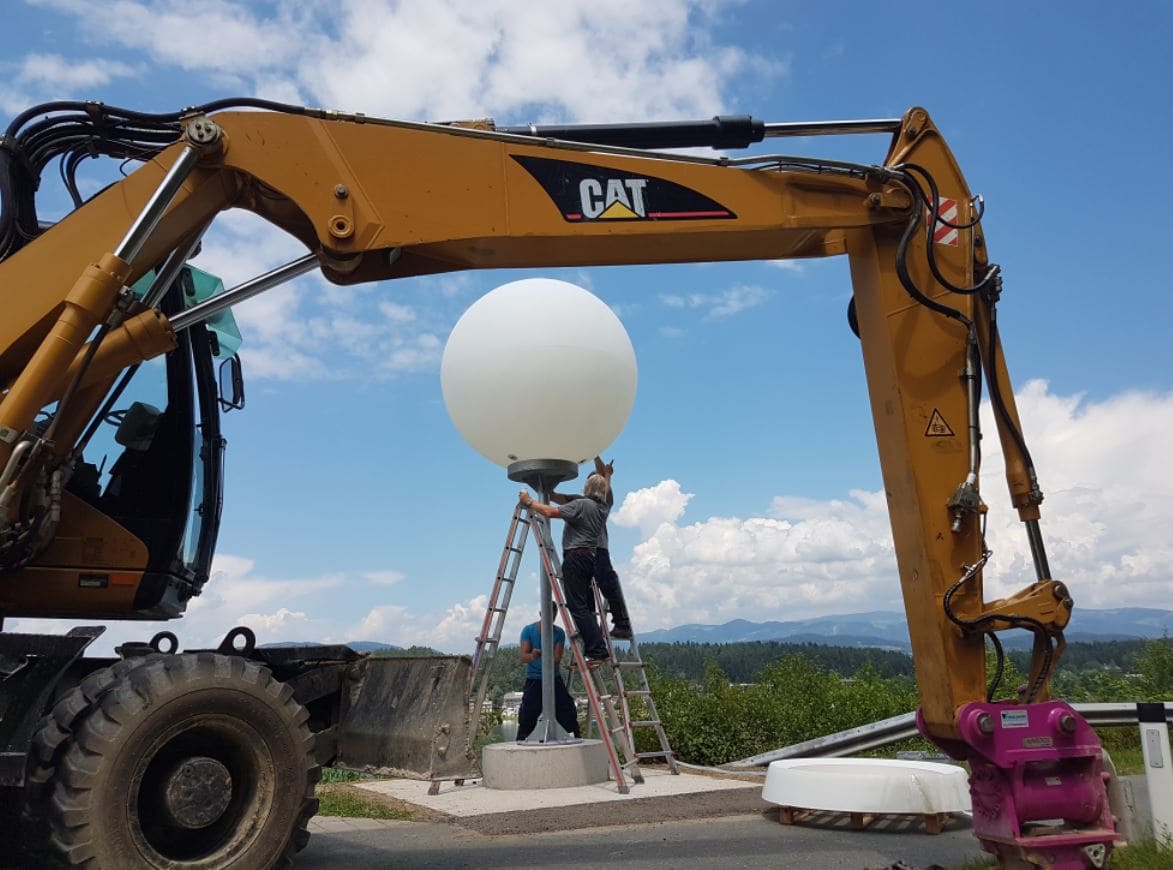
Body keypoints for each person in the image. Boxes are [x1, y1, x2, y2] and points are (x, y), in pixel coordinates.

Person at [519, 473, 611, 664]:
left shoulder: (581, 505)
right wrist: (607, 476)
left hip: (576, 556)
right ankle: (594, 647)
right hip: (590, 557)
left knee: (577, 606)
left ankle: (597, 650)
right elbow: (561, 500)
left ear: (587, 489)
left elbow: (551, 513)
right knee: (586, 606)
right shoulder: (602, 507)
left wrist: (529, 502)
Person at [550, 457, 632, 640]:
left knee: (607, 587)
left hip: (596, 549)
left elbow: (603, 481)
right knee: (586, 591)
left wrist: (597, 457)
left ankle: (622, 624)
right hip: (589, 550)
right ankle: (591, 629)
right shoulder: (580, 502)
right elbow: (555, 496)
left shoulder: (603, 500)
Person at [515, 617, 581, 740]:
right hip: (534, 677)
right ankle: (522, 738)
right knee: (529, 711)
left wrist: (545, 654)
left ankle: (574, 735)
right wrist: (533, 655)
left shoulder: (558, 632)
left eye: (553, 613)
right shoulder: (528, 630)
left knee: (565, 708)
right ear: (542, 613)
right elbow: (524, 657)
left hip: (553, 677)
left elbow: (556, 660)